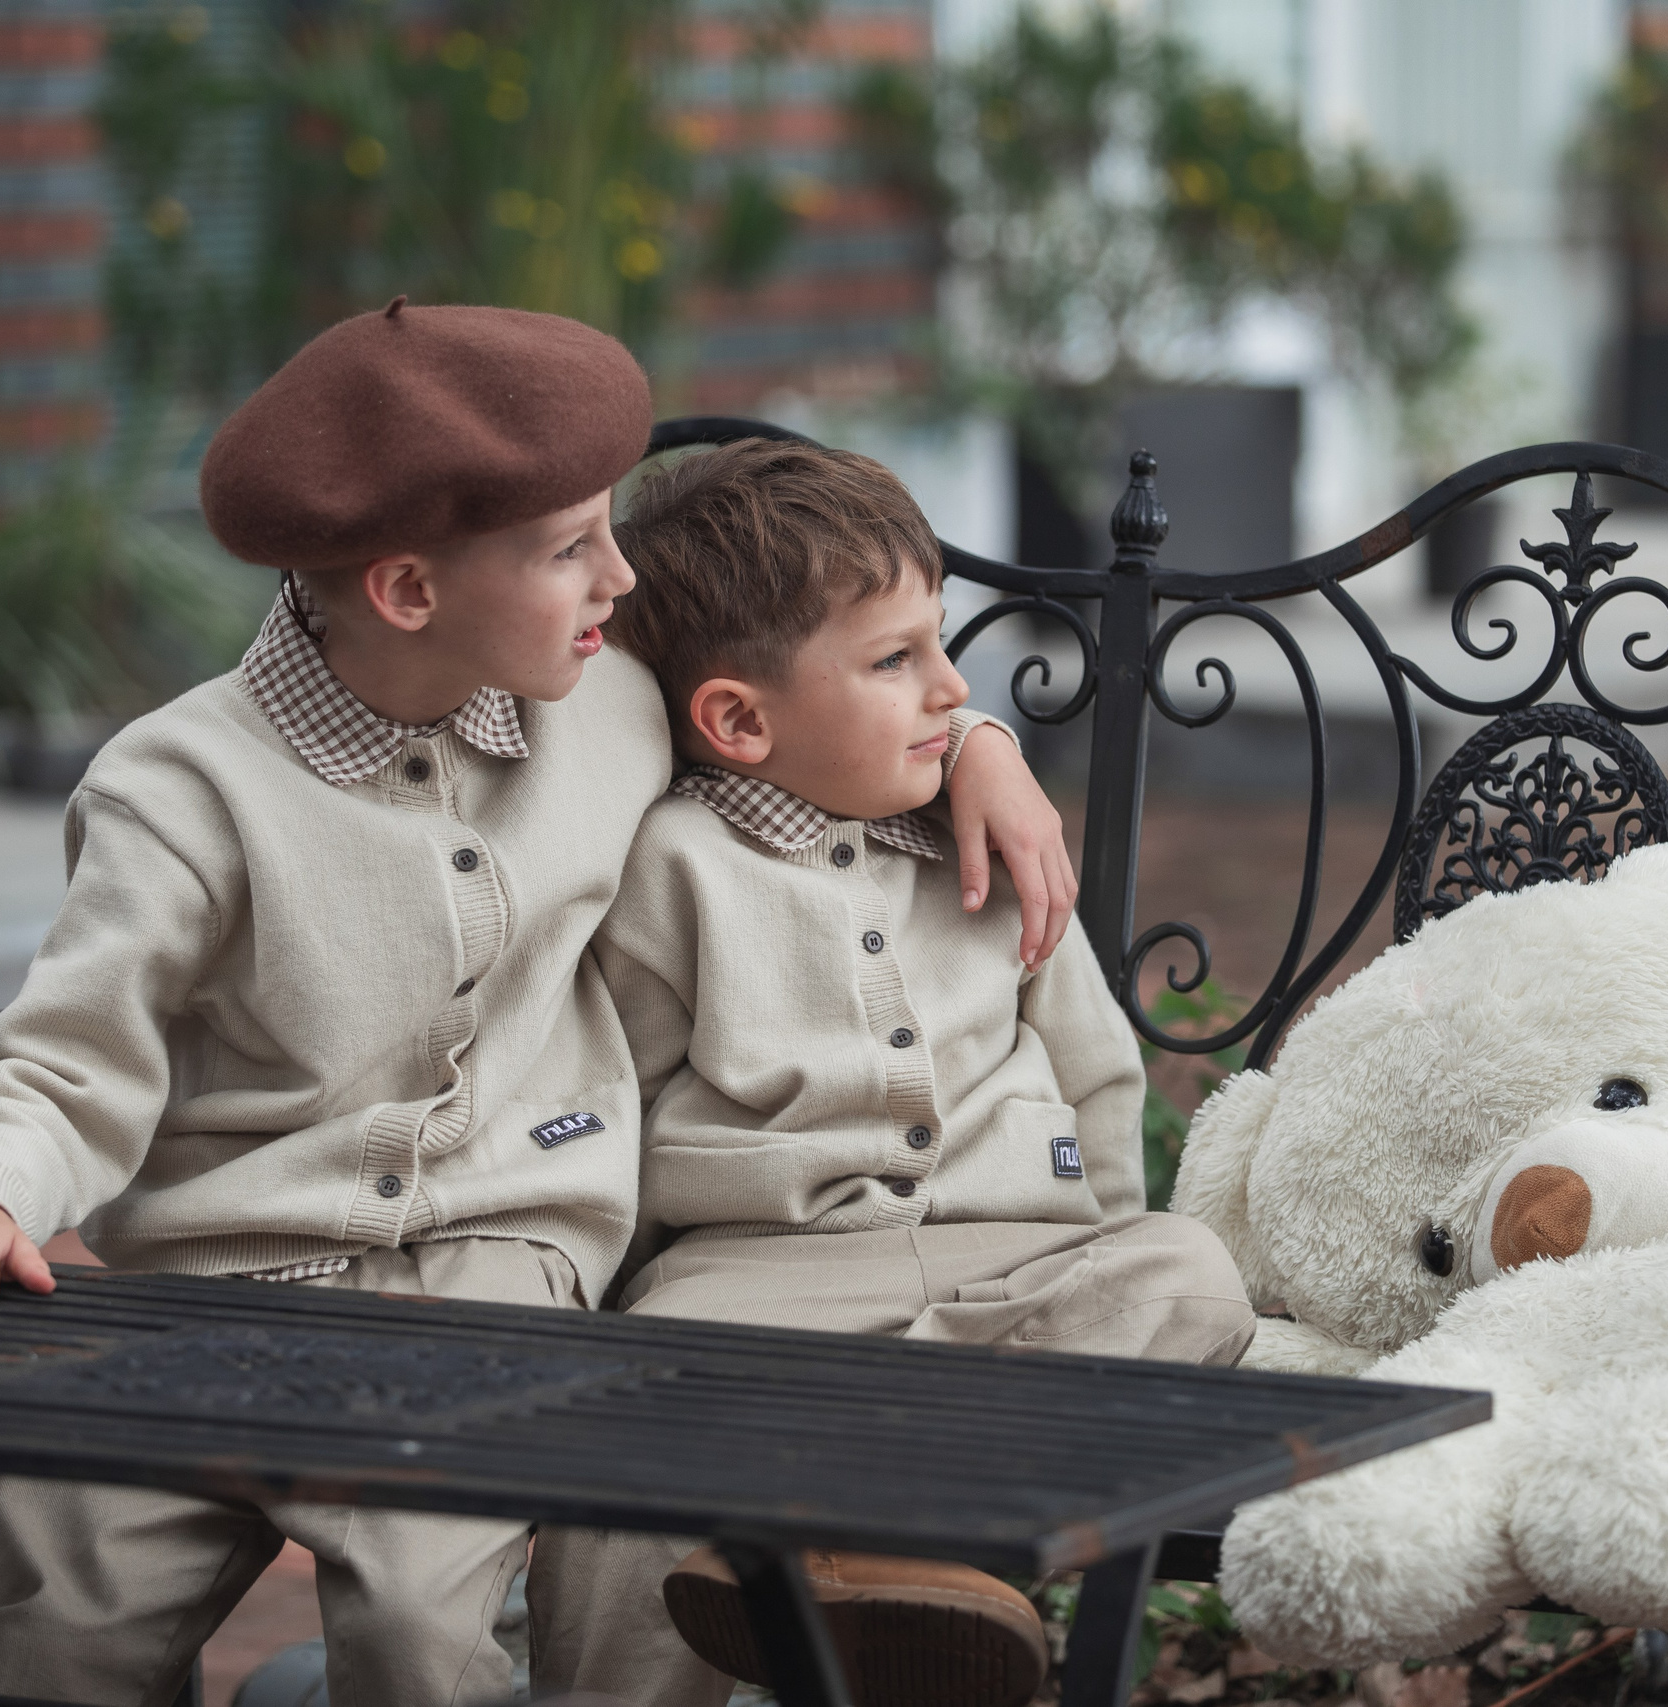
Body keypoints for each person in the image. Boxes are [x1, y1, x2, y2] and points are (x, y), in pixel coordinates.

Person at [0, 302, 1076, 1707]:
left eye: (610, 527)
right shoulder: (180, 791)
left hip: (489, 1272)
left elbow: (805, 703)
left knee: (426, 1634)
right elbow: (68, 1051)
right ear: (409, 591)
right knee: (53, 1632)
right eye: (571, 550)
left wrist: (975, 743)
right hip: (204, 1291)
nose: (621, 578)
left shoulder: (606, 700)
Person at [526, 437, 1255, 1707]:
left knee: (1184, 1275)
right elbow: (615, 1098)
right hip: (762, 1286)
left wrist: (1096, 1232)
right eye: (895, 661)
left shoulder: (984, 834)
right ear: (737, 720)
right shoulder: (668, 865)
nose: (951, 688)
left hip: (1012, 1267)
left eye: (941, 646)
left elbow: (1091, 1068)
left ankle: (868, 1522)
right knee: (624, 1464)